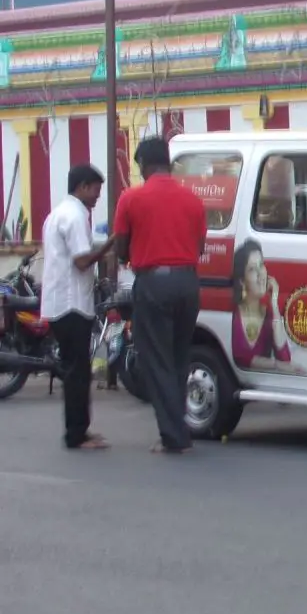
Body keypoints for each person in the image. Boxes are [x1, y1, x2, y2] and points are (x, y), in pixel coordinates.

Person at [114, 137, 206, 453]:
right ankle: (180, 427)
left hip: (153, 283)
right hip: (188, 283)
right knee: (179, 357)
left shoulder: (131, 198)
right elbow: (199, 246)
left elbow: (121, 248)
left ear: (143, 164)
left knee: (157, 360)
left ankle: (173, 435)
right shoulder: (192, 200)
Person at [40, 164, 116, 450]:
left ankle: (81, 430)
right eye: (95, 190)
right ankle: (75, 435)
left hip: (62, 301)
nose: (98, 196)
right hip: (70, 304)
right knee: (77, 372)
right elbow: (82, 260)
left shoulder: (58, 213)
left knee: (78, 370)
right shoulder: (74, 216)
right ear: (82, 187)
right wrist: (109, 245)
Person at [231, 238, 292, 371]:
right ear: (242, 281)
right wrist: (274, 365)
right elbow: (240, 357)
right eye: (252, 269)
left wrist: (274, 303)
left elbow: (285, 360)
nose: (261, 274)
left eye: (261, 265)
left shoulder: (269, 316)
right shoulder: (234, 314)